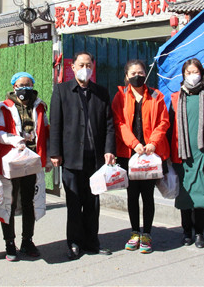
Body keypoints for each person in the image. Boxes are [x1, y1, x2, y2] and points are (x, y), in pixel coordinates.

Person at [49, 51, 116, 260]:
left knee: (93, 203)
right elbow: (55, 124)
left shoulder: (101, 92)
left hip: (94, 159)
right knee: (74, 203)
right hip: (71, 158)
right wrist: (55, 152)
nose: (85, 68)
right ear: (73, 67)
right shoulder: (62, 91)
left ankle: (92, 242)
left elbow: (109, 125)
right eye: (81, 65)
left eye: (88, 65)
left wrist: (109, 149)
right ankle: (74, 243)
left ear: (93, 67)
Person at [112, 59, 170, 254]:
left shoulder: (156, 95)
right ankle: (134, 232)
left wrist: (153, 142)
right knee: (132, 195)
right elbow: (118, 123)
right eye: (133, 73)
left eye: (141, 73)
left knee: (148, 195)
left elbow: (163, 122)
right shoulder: (120, 95)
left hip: (150, 154)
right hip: (129, 154)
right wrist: (134, 143)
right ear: (126, 76)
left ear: (146, 74)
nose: (137, 76)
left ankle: (147, 234)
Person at [169, 58, 204, 249]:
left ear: (201, 73)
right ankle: (186, 233)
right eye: (188, 73)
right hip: (182, 154)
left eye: (195, 72)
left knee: (201, 196)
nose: (192, 76)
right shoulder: (176, 98)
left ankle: (200, 233)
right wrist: (166, 154)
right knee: (185, 196)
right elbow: (170, 126)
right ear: (183, 75)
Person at [0, 72, 50, 261]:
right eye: (20, 85)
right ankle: (9, 242)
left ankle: (27, 240)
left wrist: (47, 158)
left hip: (32, 162)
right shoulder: (5, 107)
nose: (24, 89)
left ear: (32, 86)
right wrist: (14, 140)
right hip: (11, 162)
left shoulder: (40, 106)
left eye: (28, 85)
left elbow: (45, 132)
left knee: (29, 202)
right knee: (8, 203)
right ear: (14, 87)